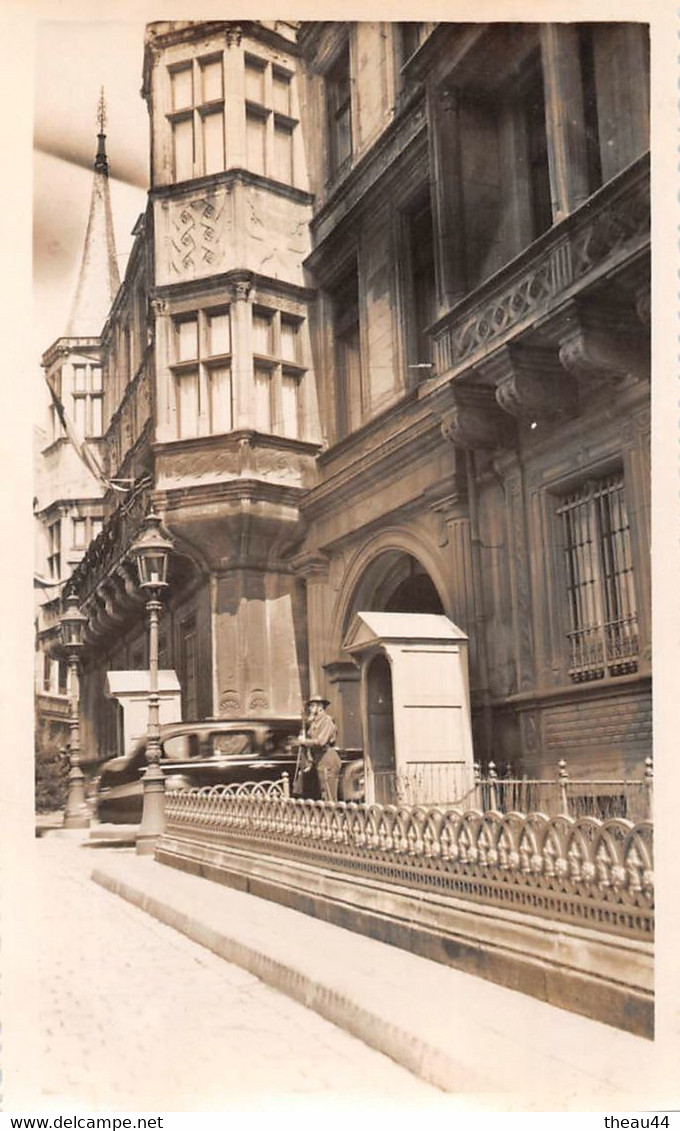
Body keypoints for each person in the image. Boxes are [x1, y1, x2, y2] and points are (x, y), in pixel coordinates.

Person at [296, 695, 342, 802]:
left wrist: (304, 741)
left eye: (313, 706)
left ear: (320, 707)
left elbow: (321, 741)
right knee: (323, 792)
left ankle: (332, 817)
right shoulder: (314, 723)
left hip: (328, 759)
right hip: (319, 760)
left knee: (329, 794)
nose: (310, 708)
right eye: (310, 706)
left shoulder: (327, 721)